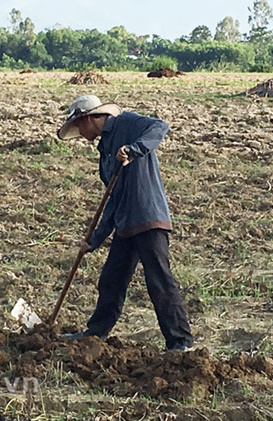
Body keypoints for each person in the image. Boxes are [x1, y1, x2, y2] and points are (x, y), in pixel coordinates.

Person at [56, 95, 194, 352]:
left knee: (159, 281)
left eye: (78, 126)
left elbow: (160, 127)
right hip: (125, 223)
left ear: (87, 118)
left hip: (148, 216)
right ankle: (95, 334)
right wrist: (93, 240)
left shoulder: (126, 123)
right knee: (111, 279)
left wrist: (134, 149)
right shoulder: (104, 153)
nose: (80, 133)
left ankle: (181, 343)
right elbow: (113, 199)